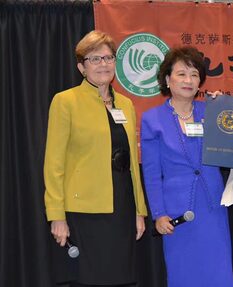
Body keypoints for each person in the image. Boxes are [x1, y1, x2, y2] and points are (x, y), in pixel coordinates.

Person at [44, 30, 147, 287]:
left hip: (122, 207)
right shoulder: (65, 102)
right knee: (89, 280)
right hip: (84, 210)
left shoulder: (126, 104)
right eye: (94, 59)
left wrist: (138, 211)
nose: (103, 64)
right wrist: (57, 215)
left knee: (121, 279)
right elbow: (54, 164)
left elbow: (133, 163)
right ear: (81, 67)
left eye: (108, 57)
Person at [140, 46, 233, 287]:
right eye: (181, 74)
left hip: (213, 208)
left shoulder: (213, 111)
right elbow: (151, 174)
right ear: (167, 79)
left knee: (219, 273)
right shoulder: (152, 119)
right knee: (184, 275)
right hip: (176, 214)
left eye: (194, 75)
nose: (188, 80)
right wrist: (159, 214)